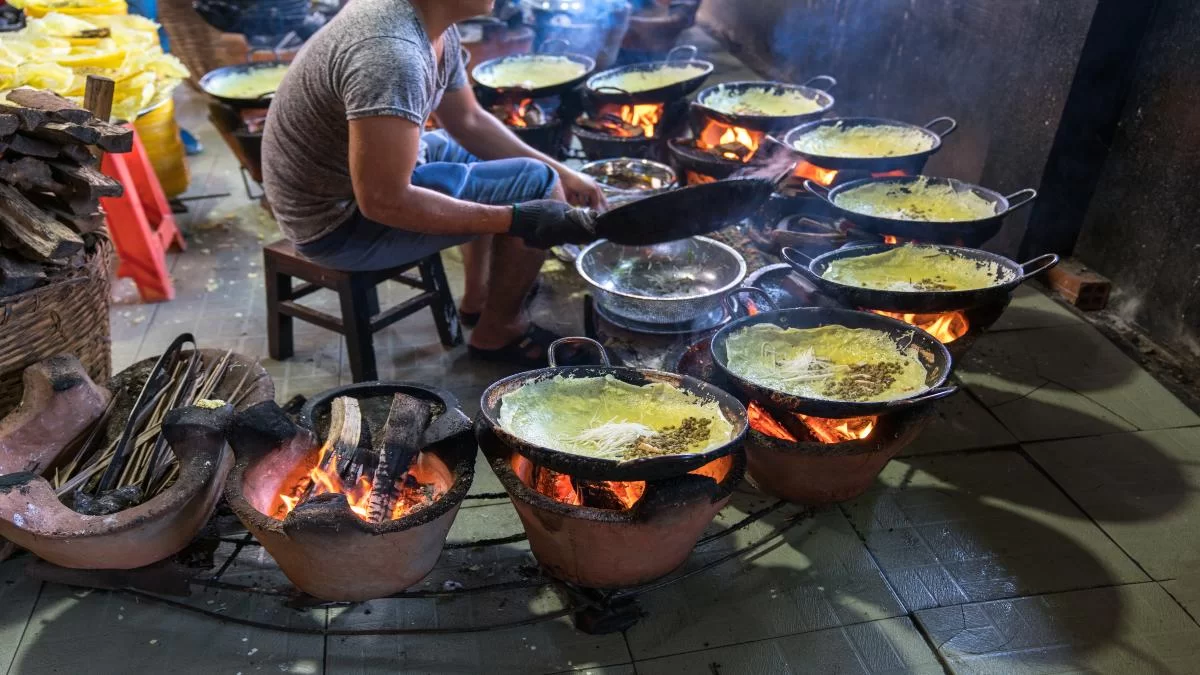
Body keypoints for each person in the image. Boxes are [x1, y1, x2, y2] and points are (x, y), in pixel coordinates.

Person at [262, 0, 606, 367]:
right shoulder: (393, 53)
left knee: (515, 168)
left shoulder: (433, 23)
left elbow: (469, 121)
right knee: (537, 186)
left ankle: (479, 298)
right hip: (334, 225)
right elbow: (383, 201)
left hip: (346, 190)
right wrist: (517, 219)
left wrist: (565, 171)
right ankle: (501, 330)